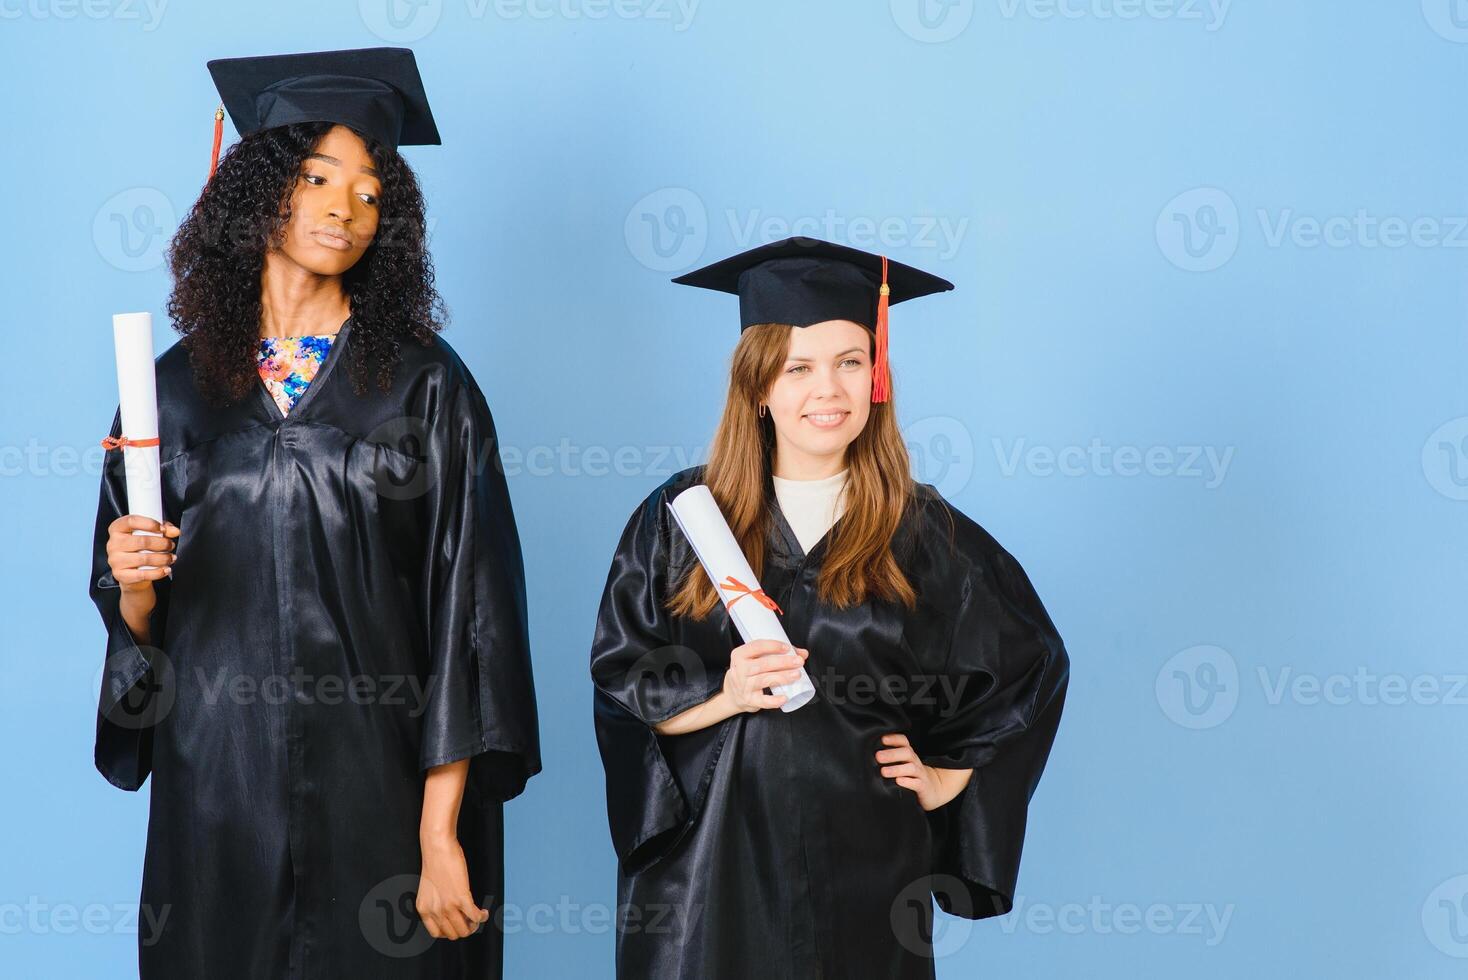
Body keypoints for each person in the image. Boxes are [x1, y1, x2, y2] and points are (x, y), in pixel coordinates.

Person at [89, 47, 540, 979]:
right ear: (256, 193)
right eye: (317, 177)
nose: (345, 208)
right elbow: (136, 632)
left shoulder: (424, 385)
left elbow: (472, 615)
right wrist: (133, 590)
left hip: (384, 792)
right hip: (219, 792)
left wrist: (440, 829)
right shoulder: (168, 394)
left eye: (372, 191)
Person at [590, 237, 1069, 978]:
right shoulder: (685, 517)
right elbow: (623, 676)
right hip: (710, 869)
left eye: (850, 362)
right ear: (759, 386)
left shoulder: (924, 531)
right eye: (799, 367)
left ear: (875, 377)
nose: (829, 390)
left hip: (869, 867)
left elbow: (1030, 667)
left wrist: (949, 776)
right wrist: (727, 692)